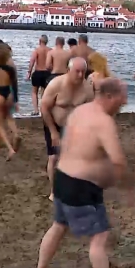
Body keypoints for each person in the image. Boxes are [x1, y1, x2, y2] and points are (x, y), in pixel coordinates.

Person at [32, 78, 131, 268]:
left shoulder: (79, 112)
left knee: (58, 227)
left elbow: (66, 145)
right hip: (81, 187)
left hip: (63, 179)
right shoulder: (104, 122)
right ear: (109, 97)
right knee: (99, 237)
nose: (124, 102)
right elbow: (118, 160)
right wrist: (115, 180)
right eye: (121, 98)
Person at [40, 57, 94, 200]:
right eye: (77, 71)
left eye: (83, 72)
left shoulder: (87, 88)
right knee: (54, 157)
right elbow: (44, 108)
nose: (81, 75)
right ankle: (54, 191)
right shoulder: (56, 85)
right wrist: (53, 132)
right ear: (68, 70)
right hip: (54, 123)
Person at [28, 35, 52, 115]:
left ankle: (36, 110)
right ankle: (44, 110)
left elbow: (32, 61)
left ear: (39, 41)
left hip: (38, 72)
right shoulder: (50, 50)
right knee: (45, 93)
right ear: (46, 42)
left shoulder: (37, 50)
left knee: (34, 92)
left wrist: (29, 73)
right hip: (47, 74)